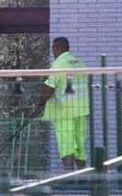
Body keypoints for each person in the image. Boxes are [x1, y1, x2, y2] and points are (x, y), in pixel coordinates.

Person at [33, 37, 90, 170]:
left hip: (64, 110)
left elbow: (50, 87)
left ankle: (68, 177)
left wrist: (40, 104)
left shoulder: (59, 64)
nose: (53, 52)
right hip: (81, 110)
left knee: (66, 144)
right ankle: (83, 176)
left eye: (53, 49)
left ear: (57, 48)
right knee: (80, 144)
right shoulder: (79, 63)